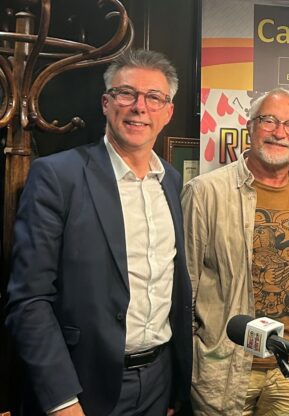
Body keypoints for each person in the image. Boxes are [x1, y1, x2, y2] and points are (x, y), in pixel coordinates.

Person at [4, 49, 191, 415]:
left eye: (154, 97)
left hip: (159, 380)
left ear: (167, 112)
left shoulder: (171, 180)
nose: (139, 107)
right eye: (126, 93)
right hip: (82, 384)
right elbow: (29, 299)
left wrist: (175, 388)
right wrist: (62, 399)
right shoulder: (58, 177)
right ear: (106, 103)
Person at [182, 88, 289, 415]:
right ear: (250, 126)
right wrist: (190, 355)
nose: (280, 132)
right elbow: (184, 288)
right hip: (223, 370)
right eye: (269, 121)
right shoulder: (205, 192)